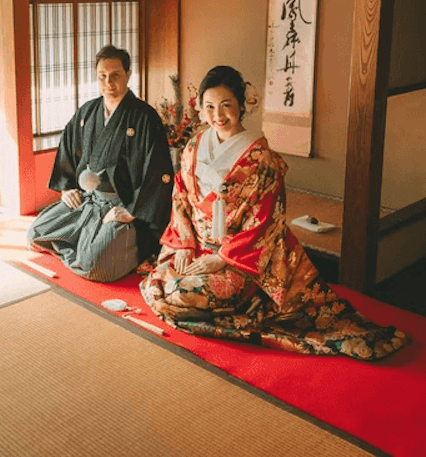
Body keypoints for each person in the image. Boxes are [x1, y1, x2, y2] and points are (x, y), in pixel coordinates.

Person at [140, 65, 409, 361]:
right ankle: (204, 301)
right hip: (196, 247)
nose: (218, 115)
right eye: (210, 107)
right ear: (201, 109)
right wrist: (185, 243)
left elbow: (265, 221)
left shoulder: (261, 159)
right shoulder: (194, 145)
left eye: (226, 105)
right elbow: (181, 194)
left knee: (178, 293)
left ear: (242, 105)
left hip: (238, 258)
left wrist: (221, 259)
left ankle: (248, 301)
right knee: (161, 280)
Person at [27, 45, 174, 282]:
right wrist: (67, 189)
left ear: (128, 74)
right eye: (102, 77)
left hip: (123, 208)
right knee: (35, 233)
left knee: (96, 264)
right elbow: (68, 146)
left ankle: (98, 248)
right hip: (89, 202)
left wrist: (130, 211)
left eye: (115, 75)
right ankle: (85, 246)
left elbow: (158, 171)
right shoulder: (88, 112)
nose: (108, 82)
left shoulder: (145, 117)